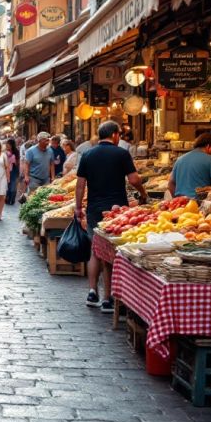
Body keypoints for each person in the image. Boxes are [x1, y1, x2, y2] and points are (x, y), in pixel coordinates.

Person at [75, 121, 148, 313]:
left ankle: (92, 292)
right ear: (115, 135)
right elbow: (133, 180)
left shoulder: (87, 154)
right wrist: (143, 192)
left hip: (93, 208)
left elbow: (80, 185)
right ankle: (108, 299)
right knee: (111, 253)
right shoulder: (121, 153)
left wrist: (77, 208)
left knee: (95, 251)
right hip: (117, 210)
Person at [169, 132, 211, 198]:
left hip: (181, 203)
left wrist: (176, 198)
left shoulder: (179, 159)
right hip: (199, 202)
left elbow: (170, 184)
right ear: (208, 146)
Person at [5, 139, 20, 205]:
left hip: (13, 170)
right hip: (5, 170)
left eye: (9, 145)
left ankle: (12, 199)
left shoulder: (16, 152)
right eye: (7, 144)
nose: (7, 146)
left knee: (13, 186)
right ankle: (7, 199)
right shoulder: (4, 153)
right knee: (7, 185)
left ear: (12, 145)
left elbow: (18, 162)